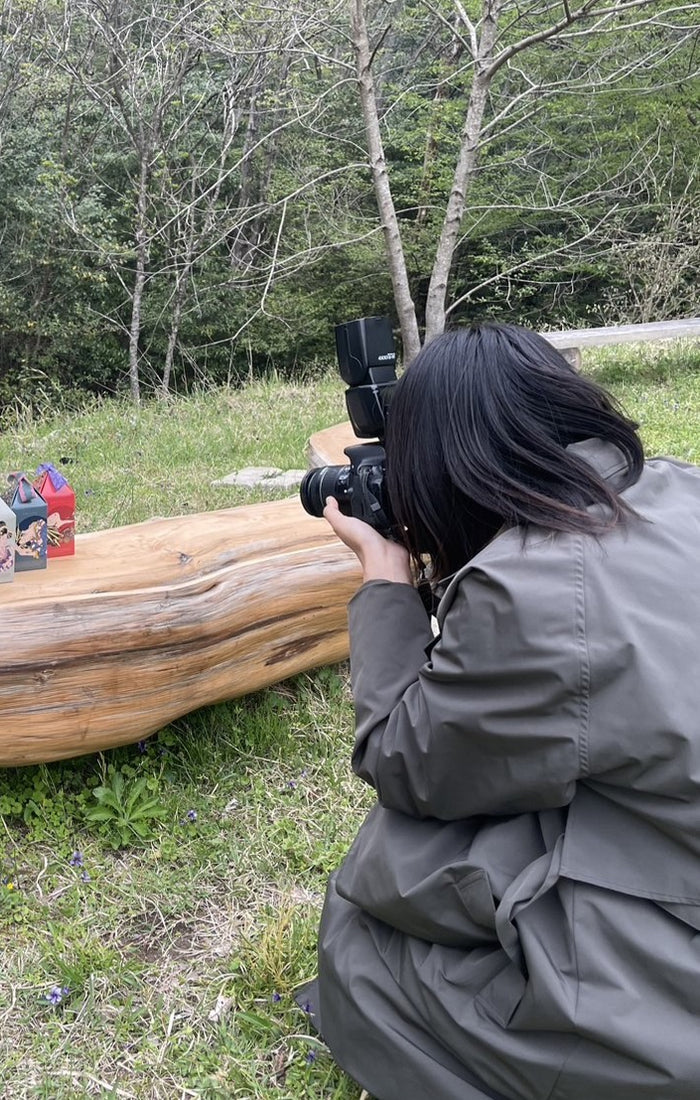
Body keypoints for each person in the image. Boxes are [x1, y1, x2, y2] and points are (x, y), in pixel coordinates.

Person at [298, 323, 700, 1100]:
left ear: (444, 469)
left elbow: (405, 760)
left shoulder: (528, 589)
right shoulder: (679, 487)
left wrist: (386, 581)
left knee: (366, 927)